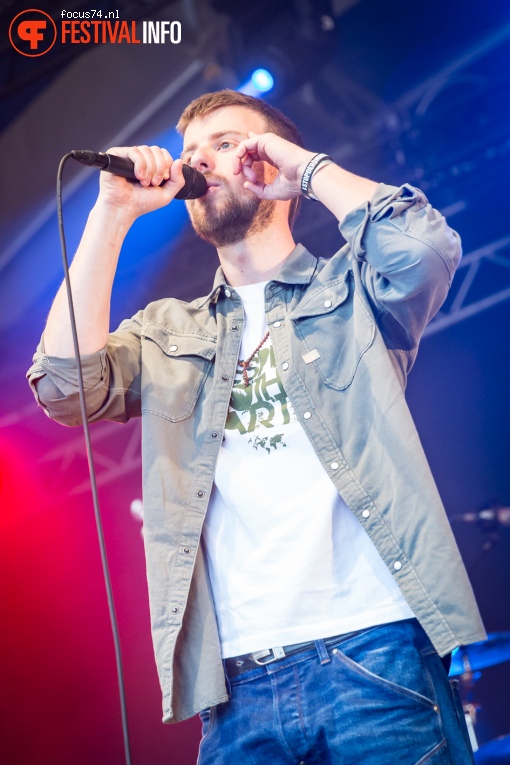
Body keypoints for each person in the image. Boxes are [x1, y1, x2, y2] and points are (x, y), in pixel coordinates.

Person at [28, 90, 485, 764]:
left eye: (224, 143)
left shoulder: (351, 291)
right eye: (189, 153)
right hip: (236, 690)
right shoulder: (168, 332)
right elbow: (64, 386)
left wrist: (306, 168)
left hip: (378, 651)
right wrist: (111, 214)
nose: (199, 162)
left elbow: (424, 249)